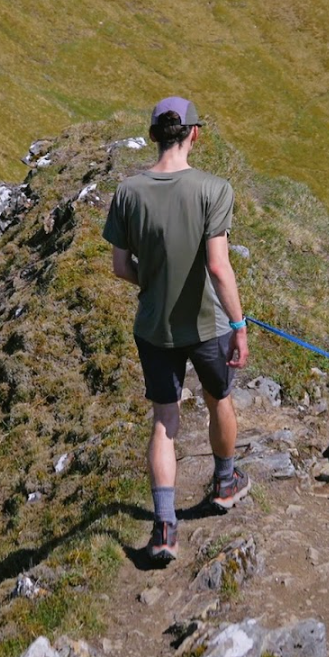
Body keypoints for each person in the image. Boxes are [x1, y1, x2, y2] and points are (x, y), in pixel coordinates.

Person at [104, 96, 250, 562]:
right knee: (218, 400)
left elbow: (121, 266)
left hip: (153, 328)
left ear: (154, 136)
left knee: (164, 422)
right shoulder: (214, 189)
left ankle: (164, 529)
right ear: (194, 134)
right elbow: (219, 268)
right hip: (208, 325)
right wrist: (240, 325)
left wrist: (156, 281)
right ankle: (225, 483)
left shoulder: (129, 191)